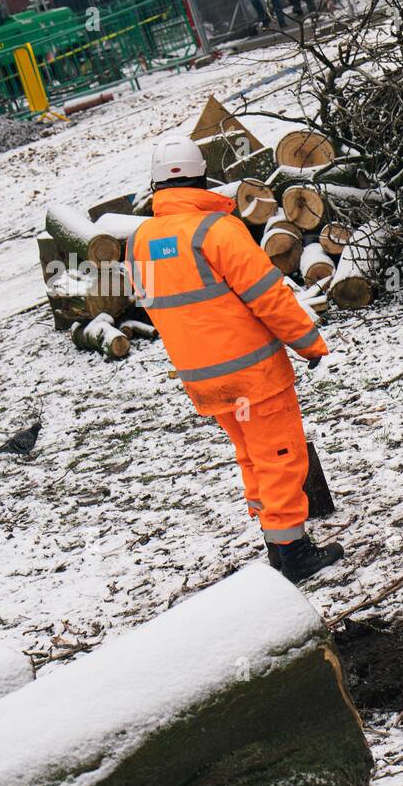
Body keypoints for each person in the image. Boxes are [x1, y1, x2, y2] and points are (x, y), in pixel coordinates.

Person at [125, 137, 342, 583]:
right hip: (253, 374)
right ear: (204, 176)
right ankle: (295, 553)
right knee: (280, 456)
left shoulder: (139, 242)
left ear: (155, 184)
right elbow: (269, 297)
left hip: (204, 381)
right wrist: (309, 344)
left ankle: (277, 545)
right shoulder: (217, 231)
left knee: (252, 458)